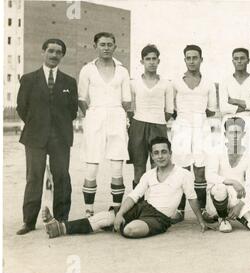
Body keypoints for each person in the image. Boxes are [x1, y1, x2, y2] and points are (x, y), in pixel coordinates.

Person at [41, 137, 210, 239]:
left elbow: (192, 198)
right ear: (151, 155)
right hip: (142, 208)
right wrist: (120, 213)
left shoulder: (183, 174)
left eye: (164, 152)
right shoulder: (149, 175)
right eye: (156, 153)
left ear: (170, 153)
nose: (160, 156)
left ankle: (112, 224)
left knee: (130, 230)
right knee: (104, 218)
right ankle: (60, 228)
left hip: (159, 218)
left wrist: (201, 222)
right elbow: (134, 196)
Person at [16, 38, 78, 235]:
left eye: (58, 52)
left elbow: (72, 111)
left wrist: (56, 126)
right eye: (50, 51)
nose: (54, 55)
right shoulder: (28, 79)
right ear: (43, 52)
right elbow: (21, 108)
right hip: (35, 136)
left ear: (62, 56)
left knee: (61, 177)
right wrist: (38, 124)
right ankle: (28, 221)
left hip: (60, 136)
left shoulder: (69, 82)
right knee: (34, 177)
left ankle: (61, 219)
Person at [78, 32, 132, 217]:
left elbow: (126, 101)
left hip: (116, 116)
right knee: (92, 166)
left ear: (115, 47)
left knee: (117, 166)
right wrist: (93, 115)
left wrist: (116, 115)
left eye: (110, 44)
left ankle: (116, 208)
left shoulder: (123, 70)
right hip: (95, 117)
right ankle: (89, 210)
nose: (106, 48)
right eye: (102, 44)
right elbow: (81, 98)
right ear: (95, 46)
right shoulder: (87, 70)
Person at [170, 45, 218, 223]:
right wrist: (184, 118)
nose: (191, 61)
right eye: (188, 58)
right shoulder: (176, 82)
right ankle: (180, 210)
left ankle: (203, 209)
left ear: (201, 59)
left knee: (200, 169)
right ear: (184, 60)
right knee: (181, 169)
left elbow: (212, 110)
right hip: (181, 126)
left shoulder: (208, 83)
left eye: (195, 57)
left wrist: (197, 117)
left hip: (201, 126)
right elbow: (170, 107)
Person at [219, 47, 250, 205]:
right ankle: (228, 203)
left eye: (242, 58)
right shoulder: (225, 81)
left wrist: (236, 101)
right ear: (232, 61)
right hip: (230, 124)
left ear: (248, 60)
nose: (239, 61)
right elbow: (223, 107)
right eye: (236, 58)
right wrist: (248, 104)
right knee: (230, 161)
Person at [128, 44, 174, 196]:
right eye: (148, 59)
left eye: (154, 59)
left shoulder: (166, 84)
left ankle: (157, 201)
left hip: (158, 126)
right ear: (142, 61)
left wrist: (156, 119)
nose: (151, 62)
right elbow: (130, 107)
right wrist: (139, 121)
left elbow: (169, 110)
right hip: (138, 125)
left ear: (158, 61)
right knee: (139, 166)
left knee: (158, 165)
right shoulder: (133, 83)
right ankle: (137, 202)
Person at [206, 117, 250, 233]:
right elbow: (209, 176)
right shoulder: (216, 150)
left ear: (243, 134)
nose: (235, 136)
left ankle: (236, 215)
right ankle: (222, 218)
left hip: (239, 196)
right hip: (219, 196)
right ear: (225, 134)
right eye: (231, 132)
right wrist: (233, 182)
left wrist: (240, 205)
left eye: (238, 132)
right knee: (220, 188)